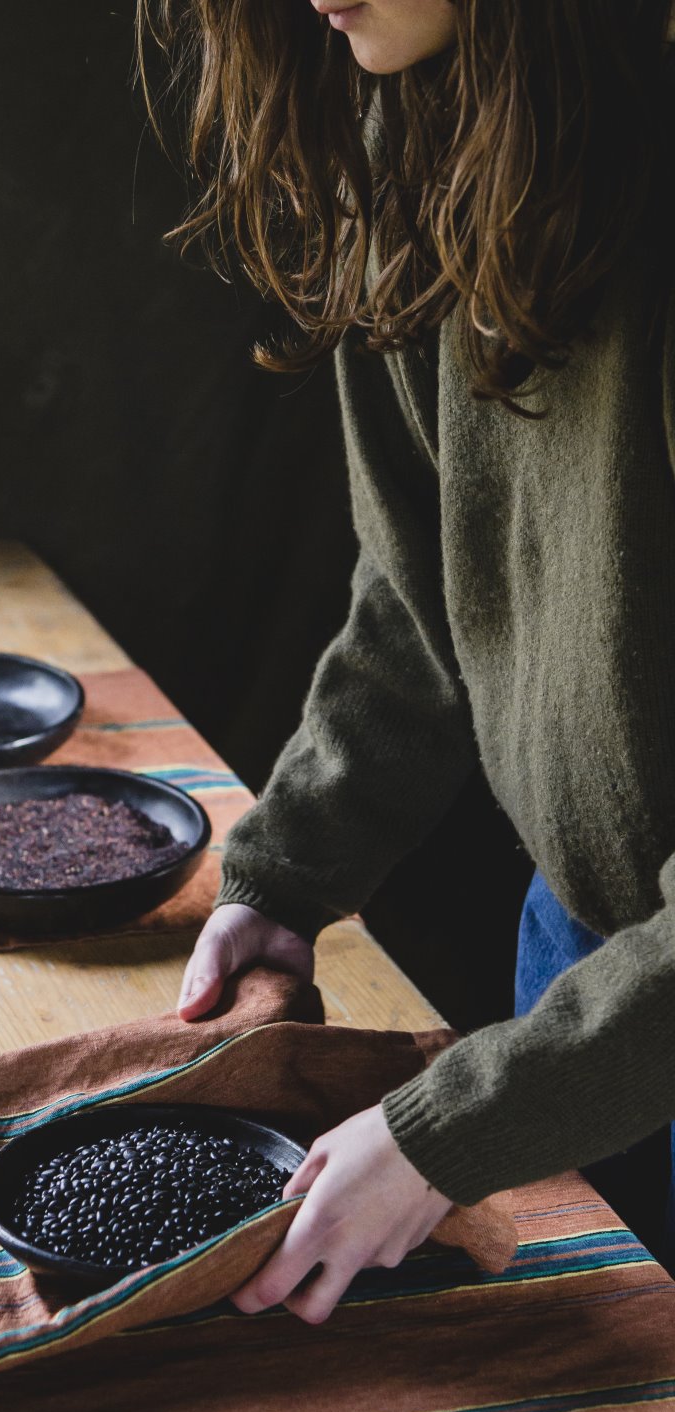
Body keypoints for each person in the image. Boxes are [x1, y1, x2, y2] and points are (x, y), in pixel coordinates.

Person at [140, 0, 675, 1321]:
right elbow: (429, 578)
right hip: (579, 964)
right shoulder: (412, 118)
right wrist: (289, 868)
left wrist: (459, 1125)